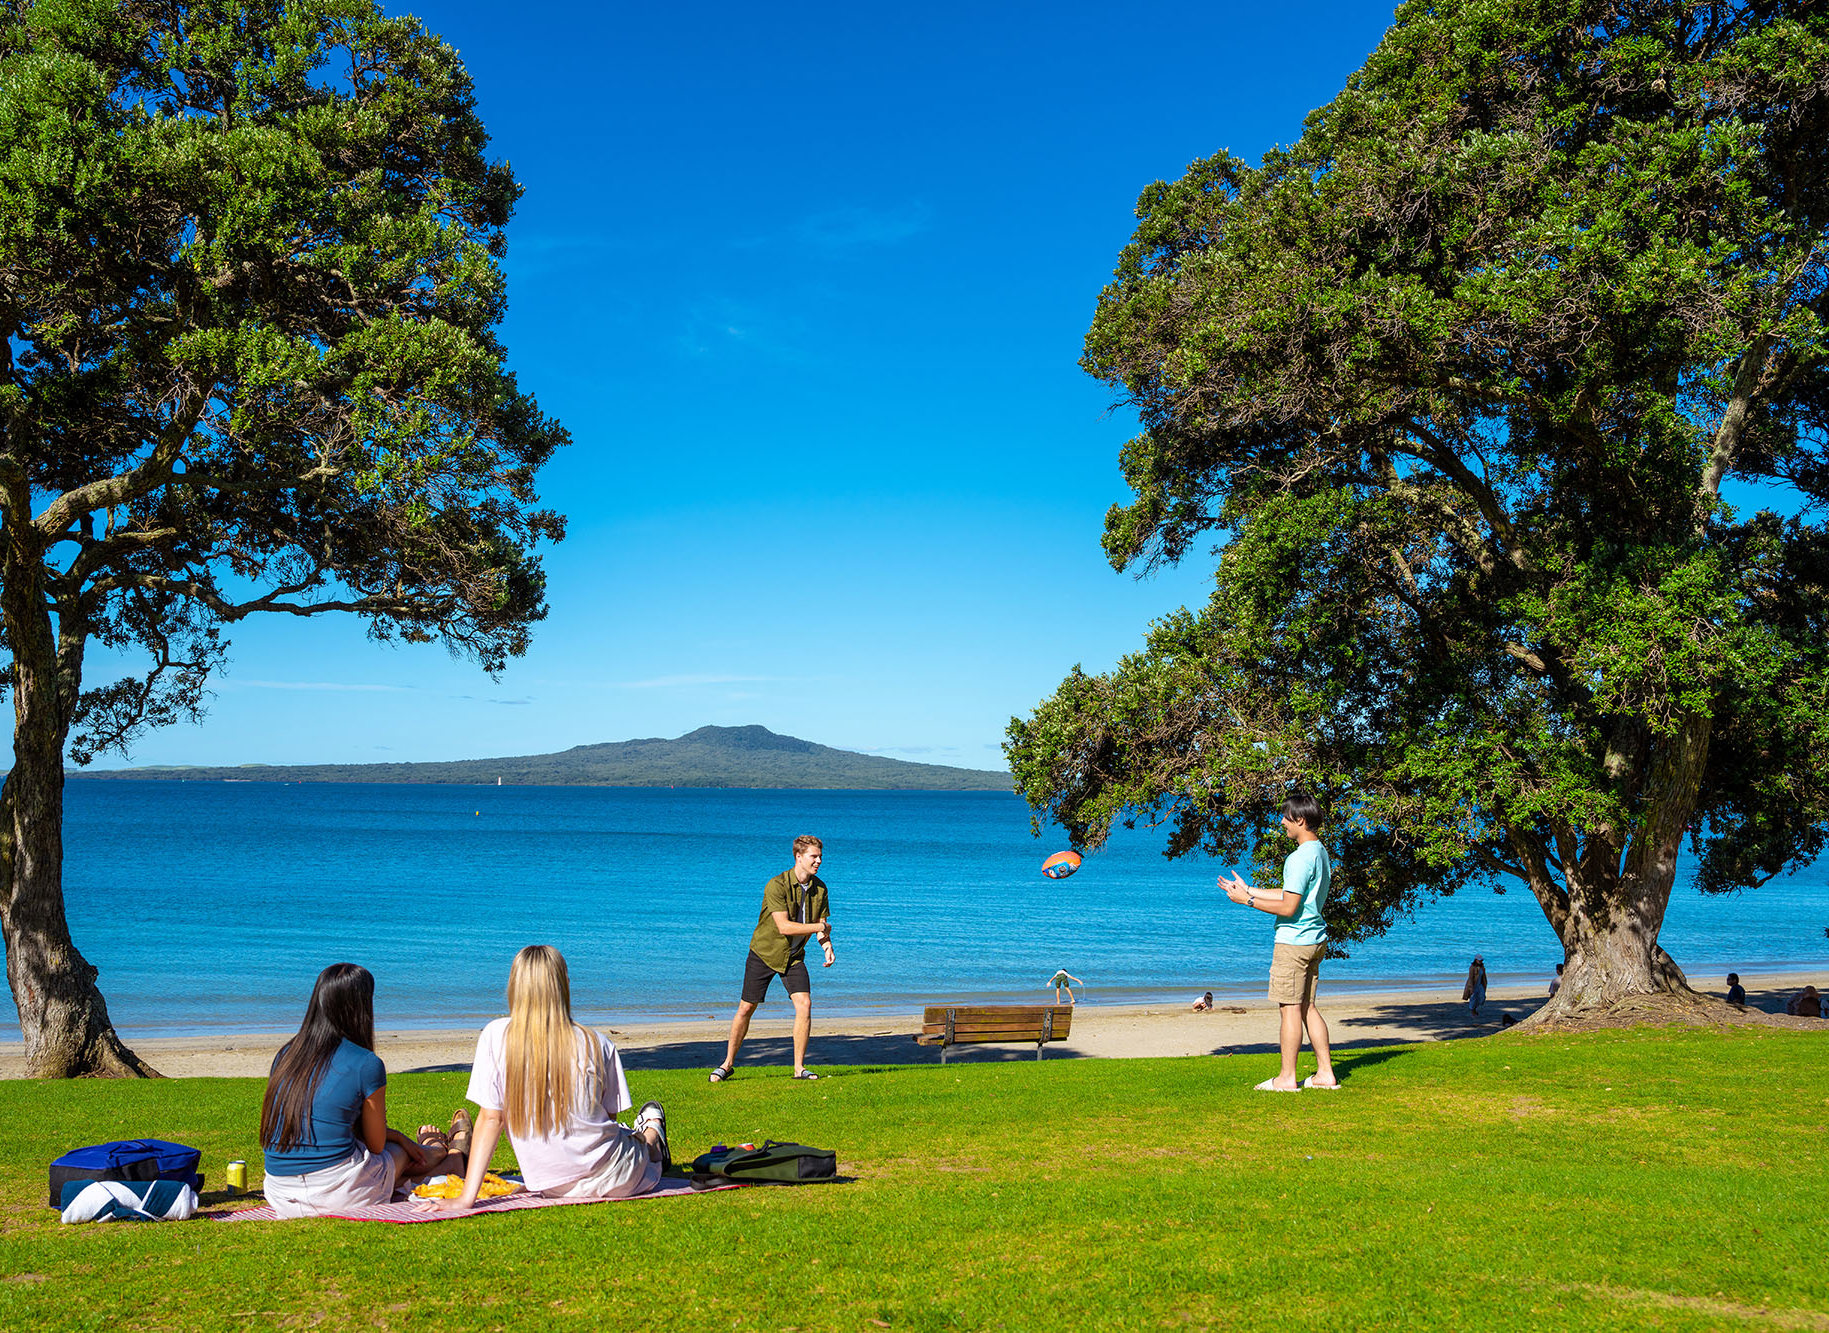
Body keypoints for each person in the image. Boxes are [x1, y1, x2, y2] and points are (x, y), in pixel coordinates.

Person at [428, 945, 668, 1213]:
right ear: (564, 984)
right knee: (634, 1140)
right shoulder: (597, 1043)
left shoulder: (495, 1036)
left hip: (553, 1185)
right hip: (616, 1177)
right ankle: (653, 1132)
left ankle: (650, 1136)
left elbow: (491, 1119)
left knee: (630, 1138)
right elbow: (608, 1119)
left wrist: (466, 1198)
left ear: (515, 985)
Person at [259, 963, 466, 1219]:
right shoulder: (366, 1063)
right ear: (360, 1007)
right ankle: (444, 1153)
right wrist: (401, 1139)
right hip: (338, 1194)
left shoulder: (286, 1055)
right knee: (397, 1154)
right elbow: (377, 1145)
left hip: (281, 1193)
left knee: (376, 1158)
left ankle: (442, 1157)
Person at [1220, 790, 1338, 1091]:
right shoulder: (1319, 852)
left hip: (1294, 943)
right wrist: (1251, 890)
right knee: (1307, 1007)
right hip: (1314, 939)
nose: (1282, 822)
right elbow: (1292, 894)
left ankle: (1287, 1078)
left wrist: (1246, 901)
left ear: (1299, 819)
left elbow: (1288, 907)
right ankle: (1325, 1073)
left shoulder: (1298, 858)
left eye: (1286, 817)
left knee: (1289, 1009)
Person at [710, 835, 834, 1083]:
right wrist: (819, 928)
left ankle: (799, 1068)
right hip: (764, 953)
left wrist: (826, 944)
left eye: (820, 856)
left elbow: (820, 926)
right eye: (814, 856)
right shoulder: (776, 885)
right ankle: (727, 1064)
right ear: (798, 857)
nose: (819, 861)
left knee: (805, 1005)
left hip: (793, 957)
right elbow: (784, 927)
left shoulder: (820, 889)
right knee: (746, 1008)